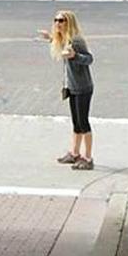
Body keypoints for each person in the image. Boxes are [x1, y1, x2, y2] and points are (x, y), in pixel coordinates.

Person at [39, 9, 95, 170]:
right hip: (72, 87)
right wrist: (49, 38)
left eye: (61, 20)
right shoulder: (63, 39)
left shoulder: (76, 40)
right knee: (76, 123)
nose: (57, 23)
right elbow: (61, 46)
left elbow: (89, 59)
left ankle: (88, 157)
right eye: (56, 20)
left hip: (83, 87)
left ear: (69, 22)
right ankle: (75, 153)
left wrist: (75, 56)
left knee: (83, 123)